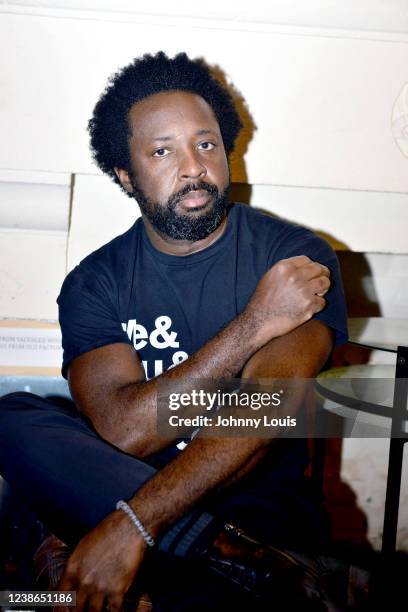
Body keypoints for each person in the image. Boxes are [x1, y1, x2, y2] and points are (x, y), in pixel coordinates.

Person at [0, 51, 348, 611]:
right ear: (125, 174)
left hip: (260, 518)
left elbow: (263, 413)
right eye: (163, 151)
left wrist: (132, 528)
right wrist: (253, 325)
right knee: (13, 417)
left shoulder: (295, 259)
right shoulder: (95, 283)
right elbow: (124, 434)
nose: (193, 167)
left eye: (205, 144)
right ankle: (224, 558)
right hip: (128, 507)